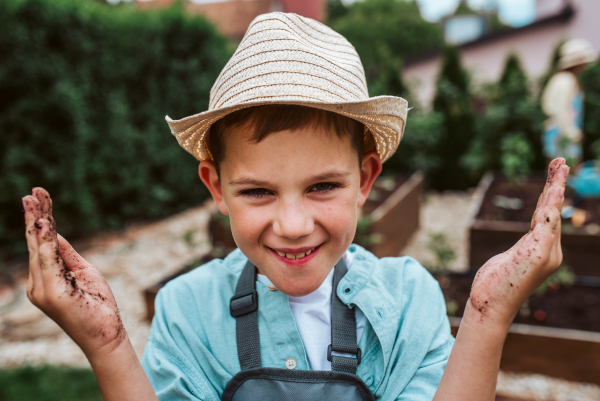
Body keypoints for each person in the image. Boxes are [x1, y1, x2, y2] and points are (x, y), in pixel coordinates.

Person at [21, 13, 568, 401]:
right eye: (258, 192)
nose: (292, 225)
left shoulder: (407, 304)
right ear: (216, 187)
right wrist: (108, 345)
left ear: (365, 178)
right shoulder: (187, 312)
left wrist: (486, 316)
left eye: (322, 187)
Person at [541, 38, 596, 168]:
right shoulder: (566, 81)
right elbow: (562, 110)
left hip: (556, 131)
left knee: (555, 175)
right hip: (562, 134)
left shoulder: (560, 79)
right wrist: (573, 133)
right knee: (565, 174)